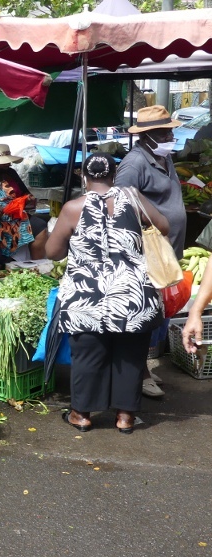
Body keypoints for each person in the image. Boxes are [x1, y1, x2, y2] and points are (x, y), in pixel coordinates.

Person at [46, 153, 168, 434]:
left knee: (87, 356)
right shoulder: (133, 199)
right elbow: (163, 226)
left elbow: (52, 252)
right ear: (114, 175)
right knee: (131, 356)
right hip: (133, 296)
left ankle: (81, 415)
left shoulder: (73, 208)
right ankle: (125, 418)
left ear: (84, 177)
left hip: (87, 298)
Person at [115, 105, 184, 398]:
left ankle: (143, 367)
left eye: (170, 132)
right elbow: (119, 205)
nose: (170, 137)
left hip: (166, 254)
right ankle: (139, 374)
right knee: (142, 318)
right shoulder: (134, 165)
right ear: (148, 136)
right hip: (147, 255)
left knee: (156, 315)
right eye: (164, 133)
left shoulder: (163, 158)